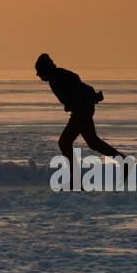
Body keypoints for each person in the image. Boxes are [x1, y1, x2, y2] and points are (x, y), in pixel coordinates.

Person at [34, 53, 125, 187]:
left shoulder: (58, 77)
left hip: (81, 111)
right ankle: (123, 161)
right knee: (92, 142)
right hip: (80, 110)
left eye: (39, 71)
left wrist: (91, 98)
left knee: (65, 142)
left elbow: (79, 90)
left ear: (45, 69)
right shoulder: (56, 77)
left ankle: (76, 179)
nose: (38, 75)